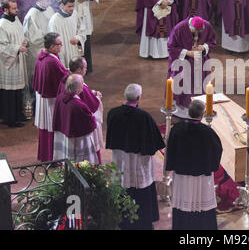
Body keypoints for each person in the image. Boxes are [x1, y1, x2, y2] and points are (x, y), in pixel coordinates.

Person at [106, 83, 165, 230]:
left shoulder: (113, 113)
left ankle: (121, 219)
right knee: (141, 185)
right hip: (138, 161)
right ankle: (143, 221)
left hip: (120, 158)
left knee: (121, 182)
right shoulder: (144, 117)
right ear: (139, 98)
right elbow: (156, 141)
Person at [166, 100, 222, 230]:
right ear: (202, 115)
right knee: (201, 204)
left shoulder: (177, 129)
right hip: (201, 176)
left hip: (181, 175)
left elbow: (170, 149)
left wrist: (173, 165)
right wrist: (211, 167)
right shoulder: (207, 132)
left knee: (183, 202)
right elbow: (217, 149)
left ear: (188, 112)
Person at [53, 0, 100, 74]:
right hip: (70, 11)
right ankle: (73, 68)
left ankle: (86, 68)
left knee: (85, 35)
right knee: (73, 37)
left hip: (84, 9)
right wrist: (65, 4)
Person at [167, 16, 216, 118]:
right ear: (190, 26)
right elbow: (171, 47)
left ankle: (199, 110)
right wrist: (188, 53)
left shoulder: (207, 25)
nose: (197, 34)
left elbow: (212, 41)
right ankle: (183, 112)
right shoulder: (179, 28)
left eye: (199, 32)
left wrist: (204, 47)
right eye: (194, 31)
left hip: (200, 62)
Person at [58, 57, 104, 164]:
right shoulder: (77, 84)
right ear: (79, 69)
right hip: (81, 130)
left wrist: (92, 92)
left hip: (70, 125)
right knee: (84, 156)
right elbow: (91, 105)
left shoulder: (67, 79)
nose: (86, 70)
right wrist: (97, 98)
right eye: (85, 68)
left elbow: (85, 93)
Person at [33, 32, 69, 162]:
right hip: (50, 100)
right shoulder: (51, 61)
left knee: (45, 127)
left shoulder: (42, 56)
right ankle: (53, 157)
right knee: (52, 127)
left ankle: (45, 155)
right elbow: (65, 78)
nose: (61, 46)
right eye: (60, 44)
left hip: (43, 97)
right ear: (53, 46)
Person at [53, 74, 98, 164]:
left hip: (64, 134)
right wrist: (93, 117)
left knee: (67, 159)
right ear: (78, 89)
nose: (83, 86)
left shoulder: (60, 97)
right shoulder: (78, 105)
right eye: (82, 84)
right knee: (79, 162)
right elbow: (90, 124)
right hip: (78, 140)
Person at [0, 0, 27, 127]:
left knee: (18, 91)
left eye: (16, 8)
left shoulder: (15, 19)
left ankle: (18, 115)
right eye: (14, 9)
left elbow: (20, 34)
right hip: (8, 64)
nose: (17, 10)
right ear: (5, 10)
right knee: (9, 92)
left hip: (18, 59)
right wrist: (17, 48)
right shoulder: (2, 25)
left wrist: (24, 41)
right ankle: (10, 119)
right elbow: (2, 46)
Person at [23, 0, 55, 93]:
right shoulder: (32, 15)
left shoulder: (49, 9)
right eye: (47, 1)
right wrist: (50, 38)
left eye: (50, 0)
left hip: (50, 47)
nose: (49, 3)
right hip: (37, 51)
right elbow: (34, 38)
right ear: (39, 0)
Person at [48, 0, 87, 69]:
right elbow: (53, 41)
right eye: (69, 6)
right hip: (63, 53)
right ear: (62, 5)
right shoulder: (55, 21)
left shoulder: (75, 14)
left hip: (74, 51)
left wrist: (77, 38)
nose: (72, 9)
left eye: (73, 6)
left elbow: (82, 29)